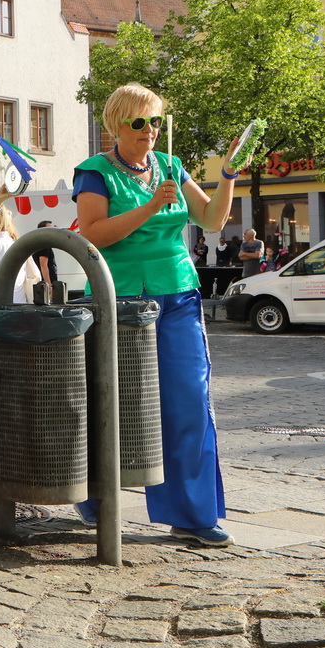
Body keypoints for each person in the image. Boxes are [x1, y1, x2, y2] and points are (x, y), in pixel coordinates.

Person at [71, 83, 237, 546]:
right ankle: (91, 492)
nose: (150, 130)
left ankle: (190, 513)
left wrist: (226, 176)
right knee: (114, 402)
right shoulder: (94, 171)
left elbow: (211, 221)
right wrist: (149, 206)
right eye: (140, 122)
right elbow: (92, 234)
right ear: (116, 125)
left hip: (178, 294)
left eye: (156, 121)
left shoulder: (171, 165)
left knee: (188, 399)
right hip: (118, 300)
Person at [33, 219, 59, 287]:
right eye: (50, 228)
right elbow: (43, 265)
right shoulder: (44, 244)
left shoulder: (39, 243)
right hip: (46, 283)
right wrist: (48, 284)